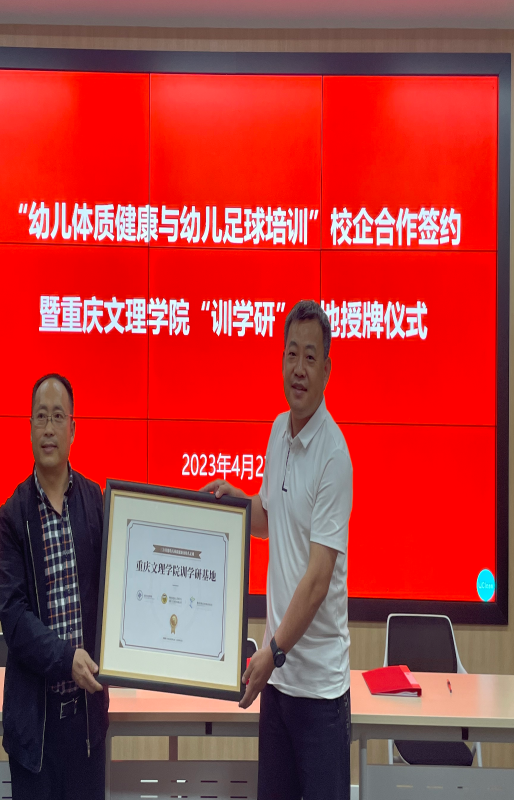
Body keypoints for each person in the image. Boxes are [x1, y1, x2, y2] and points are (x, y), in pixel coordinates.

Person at [204, 300, 353, 800]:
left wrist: (273, 653)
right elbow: (270, 519)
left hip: (318, 691)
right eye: (292, 354)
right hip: (279, 683)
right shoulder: (278, 432)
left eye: (311, 357)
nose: (299, 369)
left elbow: (318, 578)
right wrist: (235, 505)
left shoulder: (334, 456)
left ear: (327, 368)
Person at [0, 374, 110, 800]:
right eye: (40, 417)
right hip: (35, 732)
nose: (48, 428)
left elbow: (116, 592)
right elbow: (13, 617)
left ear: (73, 429)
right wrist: (66, 659)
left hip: (86, 726)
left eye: (58, 416)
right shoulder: (13, 514)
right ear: (29, 428)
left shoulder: (96, 503)